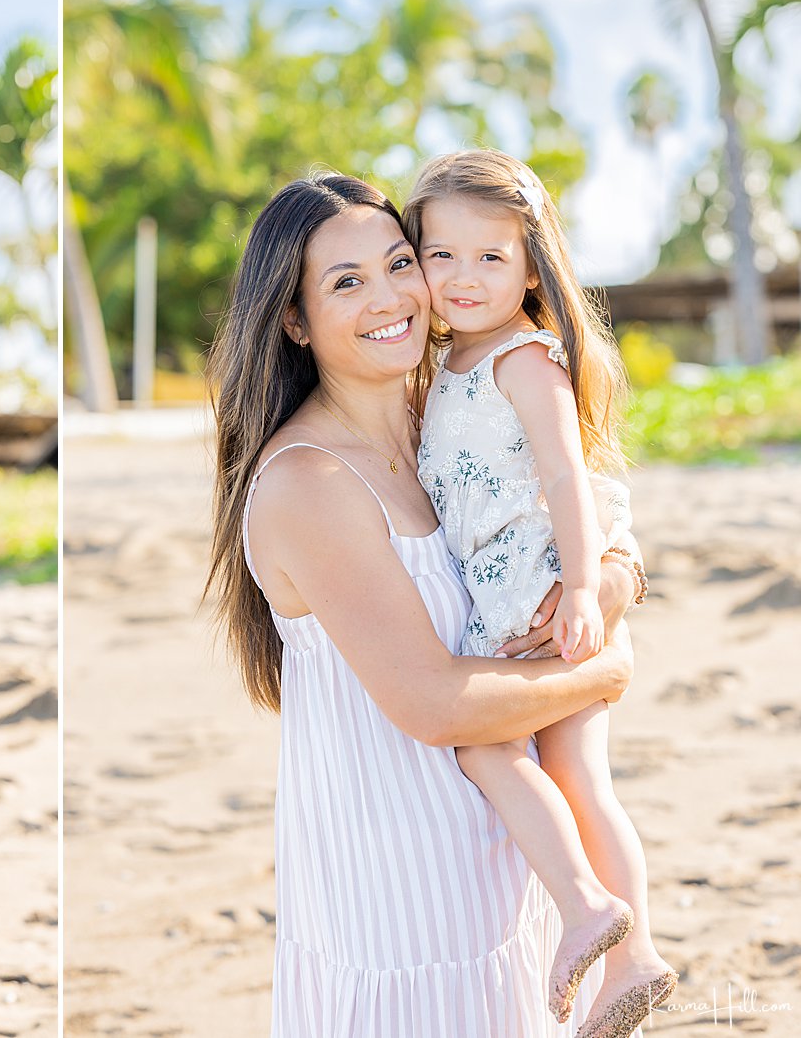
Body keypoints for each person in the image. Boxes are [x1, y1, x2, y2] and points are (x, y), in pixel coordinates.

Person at [205, 171, 647, 1037]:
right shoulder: (309, 483)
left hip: (506, 866)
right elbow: (435, 702)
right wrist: (604, 666)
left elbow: (587, 507)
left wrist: (617, 582)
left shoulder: (445, 416)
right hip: (405, 895)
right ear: (293, 320)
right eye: (345, 282)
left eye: (399, 262)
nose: (391, 296)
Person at [404, 150, 677, 1037]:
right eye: (441, 255)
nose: (463, 278)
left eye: (492, 257)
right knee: (573, 771)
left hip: (535, 590)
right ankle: (631, 957)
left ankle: (589, 907)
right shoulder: (443, 369)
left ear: (531, 268)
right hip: (516, 593)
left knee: (491, 751)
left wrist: (585, 588)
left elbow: (567, 476)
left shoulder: (524, 359)